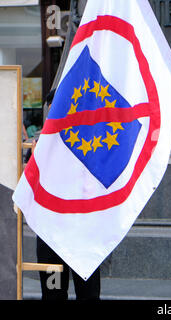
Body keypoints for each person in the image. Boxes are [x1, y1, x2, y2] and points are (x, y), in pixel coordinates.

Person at [31, 89, 101, 300]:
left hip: (82, 232)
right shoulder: (38, 144)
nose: (55, 116)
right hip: (50, 233)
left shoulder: (89, 143)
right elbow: (27, 183)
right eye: (51, 111)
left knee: (87, 293)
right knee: (53, 293)